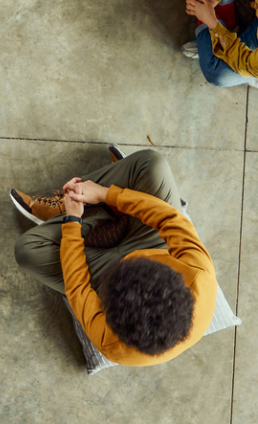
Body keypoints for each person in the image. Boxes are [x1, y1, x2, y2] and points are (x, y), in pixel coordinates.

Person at [12, 147, 215, 366]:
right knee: (151, 163)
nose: (129, 259)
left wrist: (72, 221)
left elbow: (78, 288)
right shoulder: (200, 277)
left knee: (27, 250)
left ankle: (81, 205)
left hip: (99, 276)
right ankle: (98, 199)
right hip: (153, 242)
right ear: (175, 278)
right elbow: (170, 219)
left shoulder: (112, 345)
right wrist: (105, 193)